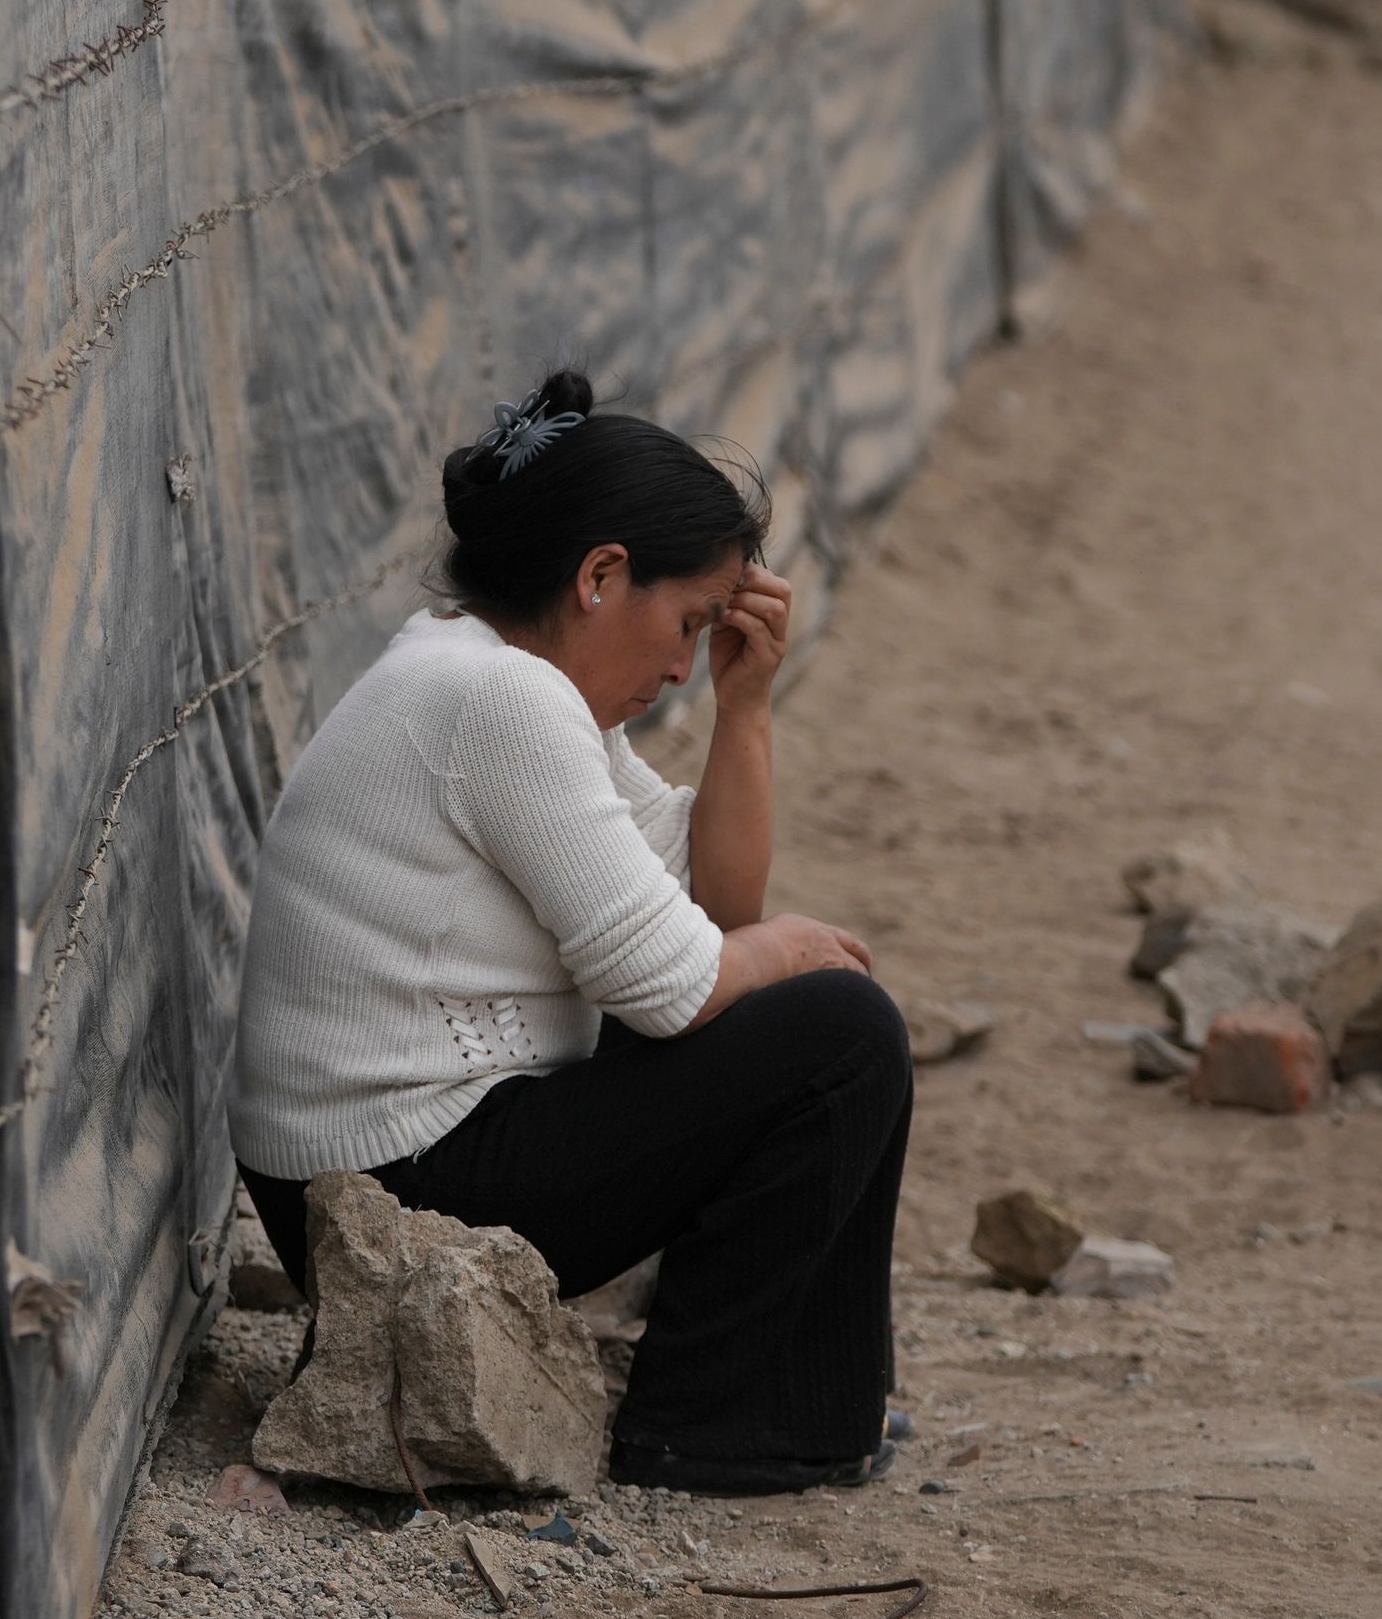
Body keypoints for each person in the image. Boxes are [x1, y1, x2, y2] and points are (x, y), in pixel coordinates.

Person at [229, 368, 912, 1494]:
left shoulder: (487, 670)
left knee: (789, 1005)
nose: (686, 664)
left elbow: (710, 907)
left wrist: (746, 709)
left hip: (370, 1175)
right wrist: (786, 953)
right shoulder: (505, 699)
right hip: (391, 1184)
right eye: (688, 622)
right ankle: (718, 1423)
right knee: (838, 1030)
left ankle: (755, 1409)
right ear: (601, 576)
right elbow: (680, 981)